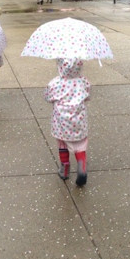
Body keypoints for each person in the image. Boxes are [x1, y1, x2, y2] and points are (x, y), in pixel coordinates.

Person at [43, 58, 90, 186]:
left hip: (61, 120)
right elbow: (87, 96)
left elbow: (47, 97)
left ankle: (64, 169)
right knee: (80, 144)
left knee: (62, 143)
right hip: (78, 119)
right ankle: (82, 166)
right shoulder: (83, 81)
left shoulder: (55, 83)